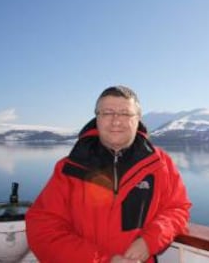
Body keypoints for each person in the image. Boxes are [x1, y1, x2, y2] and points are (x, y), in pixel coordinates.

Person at [26, 86, 192, 263]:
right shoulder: (69, 168)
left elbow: (177, 209)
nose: (116, 121)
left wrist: (149, 241)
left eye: (125, 113)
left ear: (138, 120)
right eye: (107, 113)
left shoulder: (160, 164)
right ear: (96, 118)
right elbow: (43, 227)